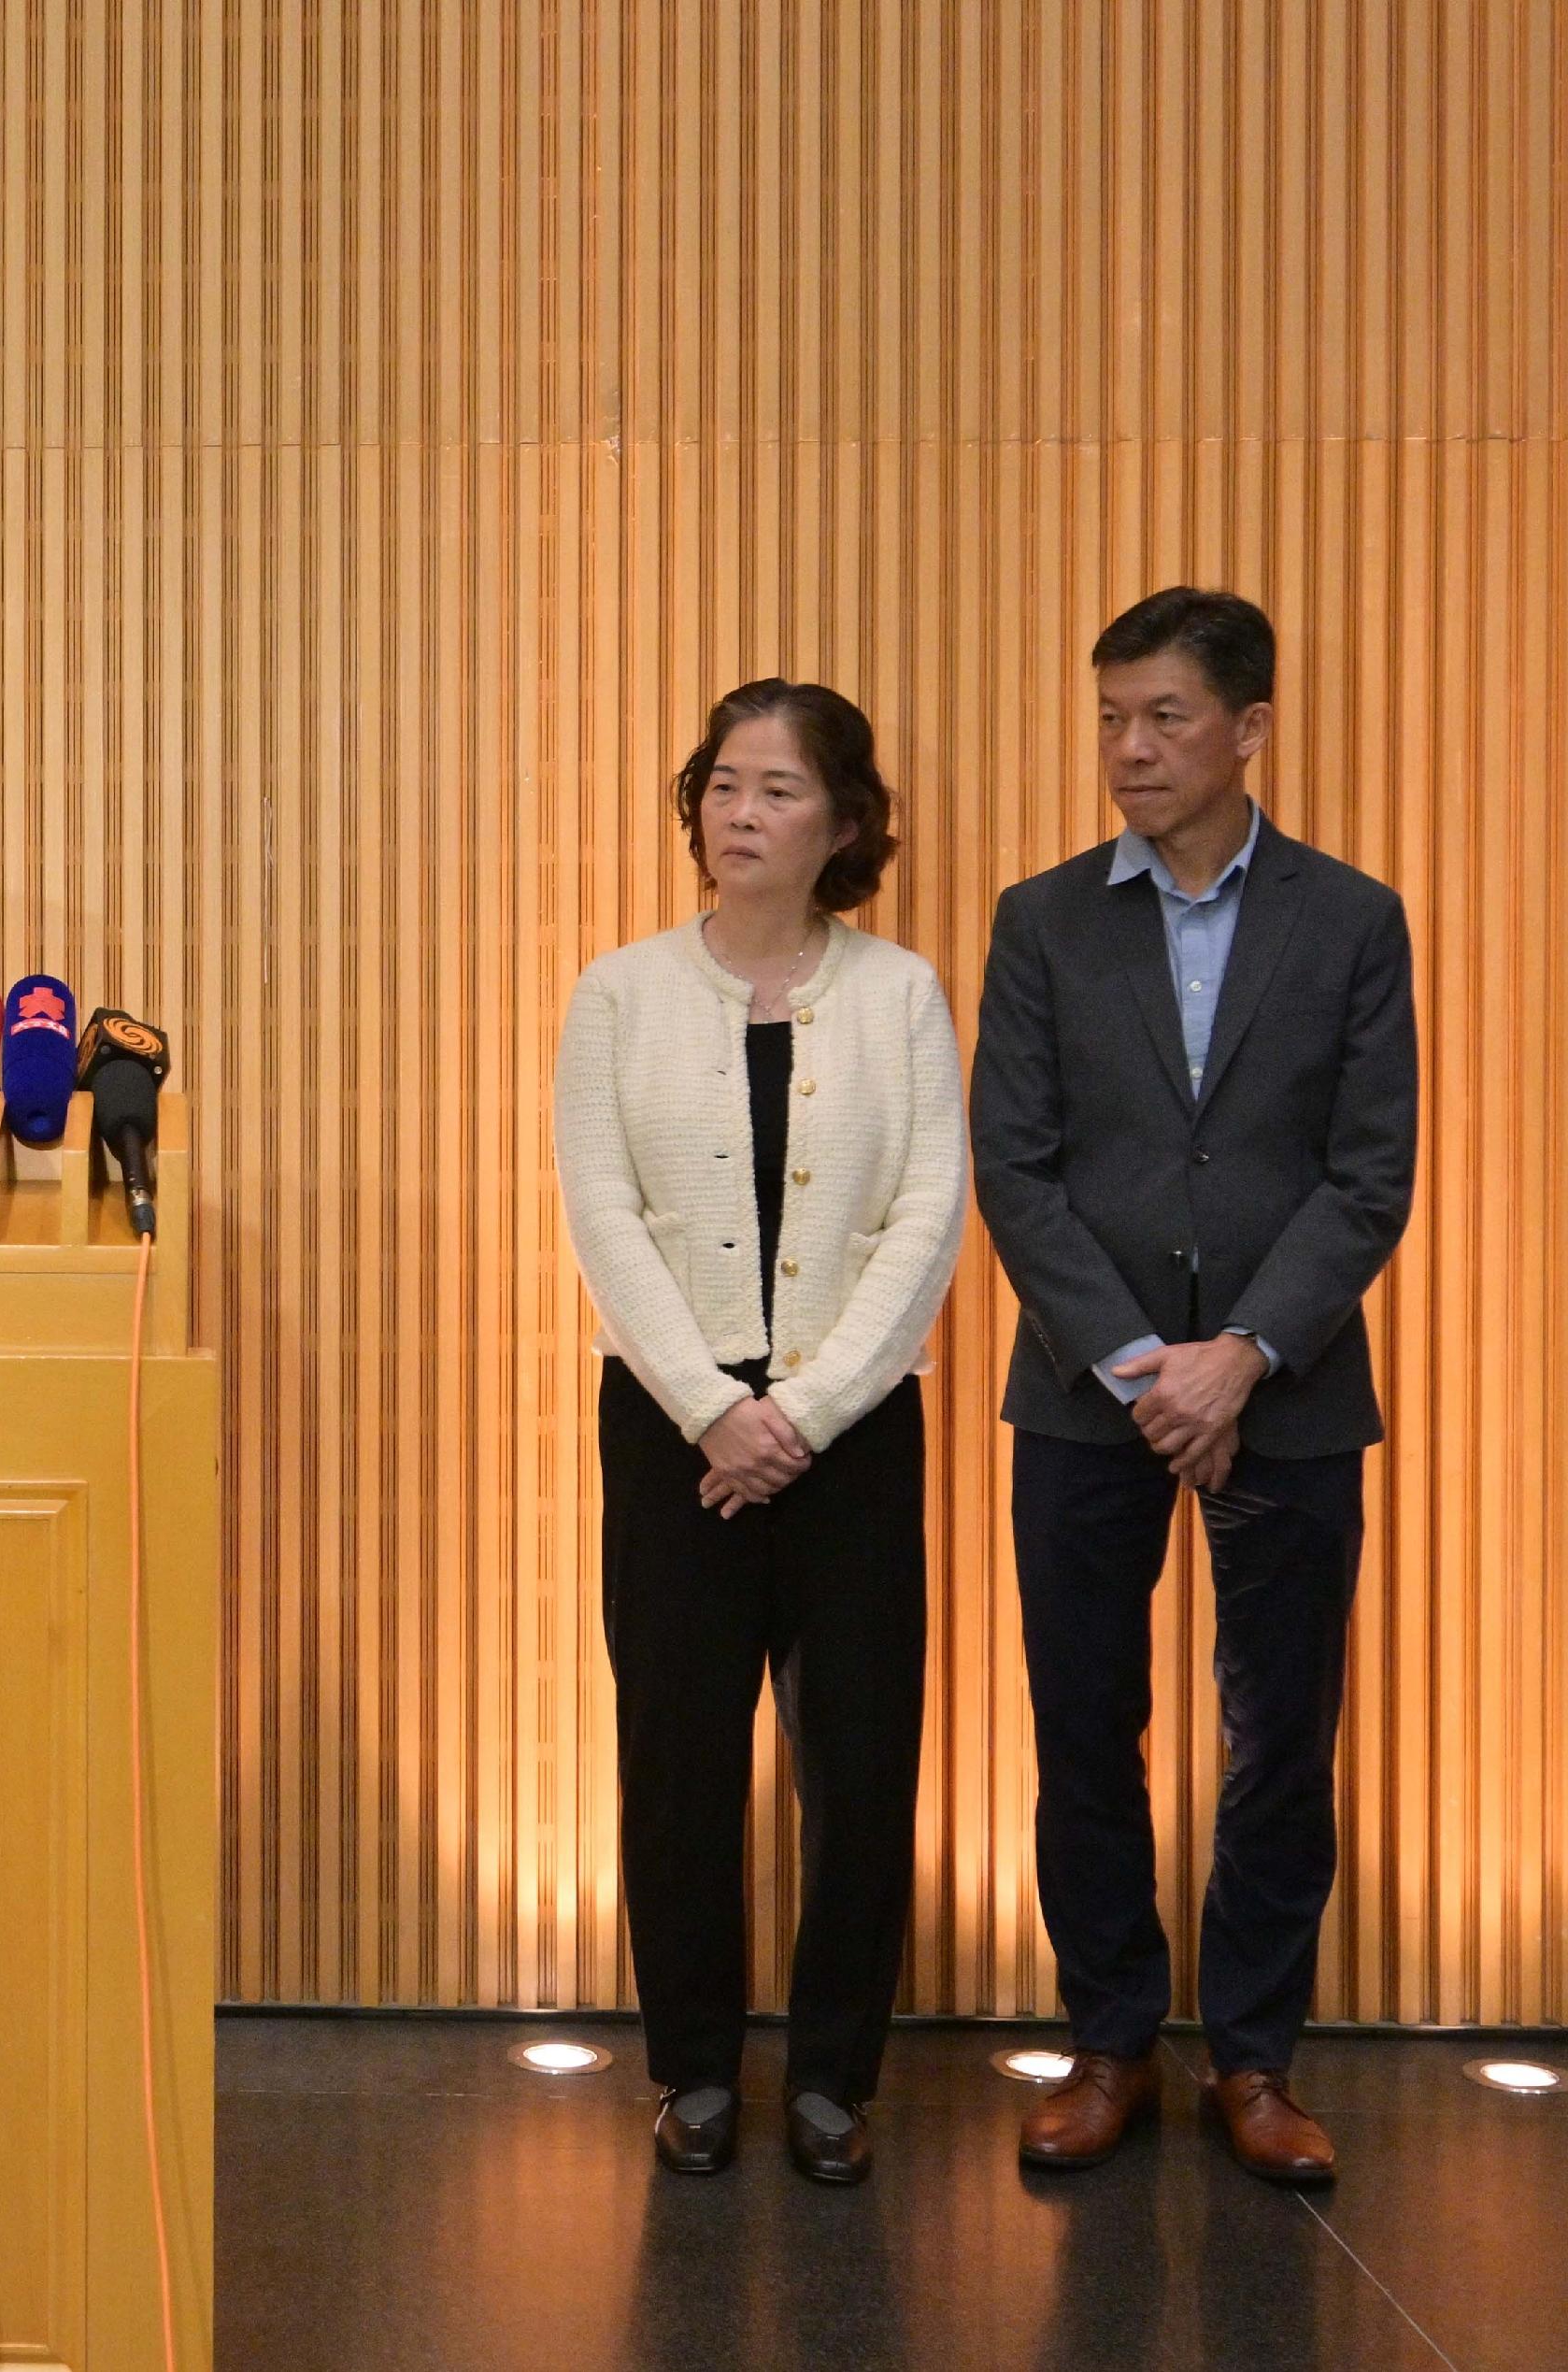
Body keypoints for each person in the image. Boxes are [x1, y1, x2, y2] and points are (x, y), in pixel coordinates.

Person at [976, 589, 1418, 2186]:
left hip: (1288, 1388)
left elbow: (1370, 1176)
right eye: (1110, 716)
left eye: (1163, 716)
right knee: (1087, 1720)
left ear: (1249, 728)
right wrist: (1145, 1361)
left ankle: (1256, 2056)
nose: (1130, 747)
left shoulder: (1354, 916)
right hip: (1089, 1388)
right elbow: (1015, 1170)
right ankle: (1108, 2040)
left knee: (1278, 1730)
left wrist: (1245, 1351)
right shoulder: (1040, 918)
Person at [553, 680, 967, 2184]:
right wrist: (716, 1407)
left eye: (780, 790)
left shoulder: (903, 991)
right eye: (723, 785)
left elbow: (927, 1218)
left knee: (858, 1763)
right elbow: (605, 1216)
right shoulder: (621, 991)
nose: (742, 814)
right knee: (678, 1756)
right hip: (673, 1427)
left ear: (845, 822)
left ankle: (836, 2075)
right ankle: (694, 2070)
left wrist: (798, 1412)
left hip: (852, 1429)